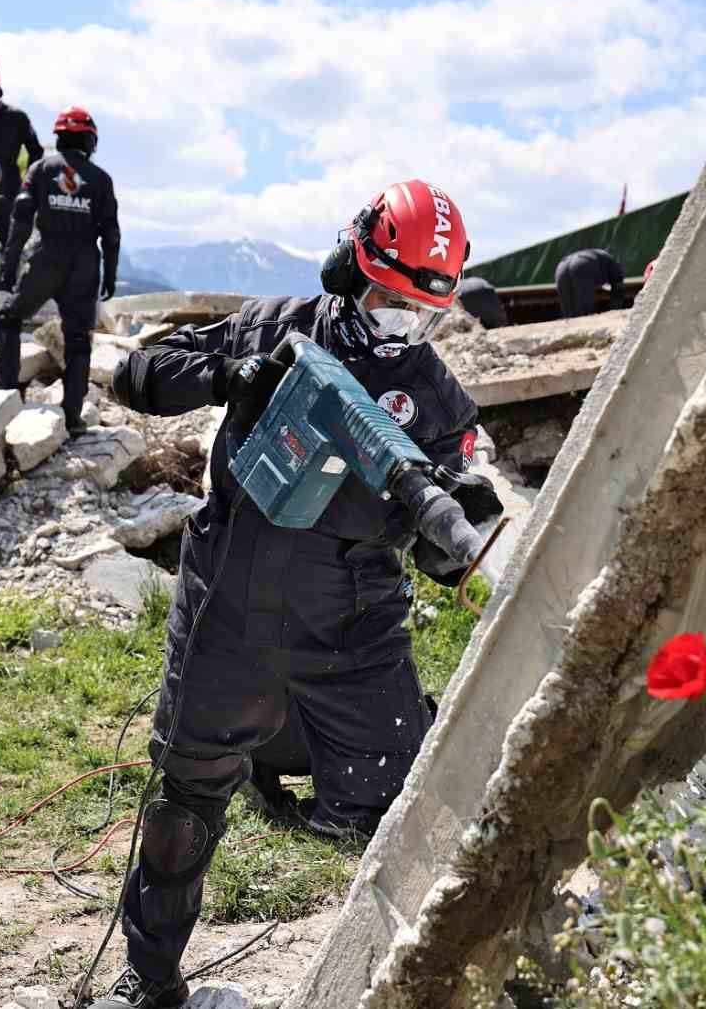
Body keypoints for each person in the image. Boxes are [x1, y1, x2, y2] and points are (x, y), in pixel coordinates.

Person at [96, 179, 502, 1008]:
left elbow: (452, 532)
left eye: (419, 311)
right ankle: (150, 978)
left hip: (352, 632)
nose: (397, 322)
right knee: (183, 801)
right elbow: (137, 373)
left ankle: (457, 975)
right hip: (228, 611)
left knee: (406, 813)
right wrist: (229, 374)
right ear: (350, 265)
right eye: (388, 297)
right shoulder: (276, 325)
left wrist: (463, 520)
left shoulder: (433, 398)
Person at [0, 107, 119, 430]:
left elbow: (21, 218)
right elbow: (111, 233)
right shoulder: (101, 179)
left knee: (10, 318)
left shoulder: (40, 169)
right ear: (90, 139)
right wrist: (111, 273)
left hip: (47, 257)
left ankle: (5, 391)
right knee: (78, 340)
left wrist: (9, 263)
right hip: (84, 264)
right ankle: (73, 416)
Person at [0, 94, 45, 279]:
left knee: (11, 238)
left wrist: (28, 183)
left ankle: (9, 283)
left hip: (9, 185)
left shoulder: (17, 117)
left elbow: (36, 151)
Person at [554, 247, 628, 317]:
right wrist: (614, 311)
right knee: (584, 312)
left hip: (562, 265)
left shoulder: (603, 258)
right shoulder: (614, 265)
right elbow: (618, 288)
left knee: (568, 312)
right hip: (583, 264)